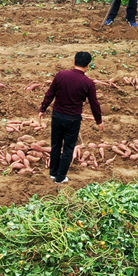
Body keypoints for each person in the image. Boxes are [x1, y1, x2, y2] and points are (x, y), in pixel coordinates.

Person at [39, 51, 103, 185]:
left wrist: (43, 108)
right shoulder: (88, 83)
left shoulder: (61, 75)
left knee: (56, 145)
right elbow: (94, 103)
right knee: (68, 148)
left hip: (57, 115)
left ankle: (53, 172)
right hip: (72, 119)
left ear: (74, 62)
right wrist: (99, 120)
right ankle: (60, 177)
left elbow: (50, 93)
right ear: (88, 65)